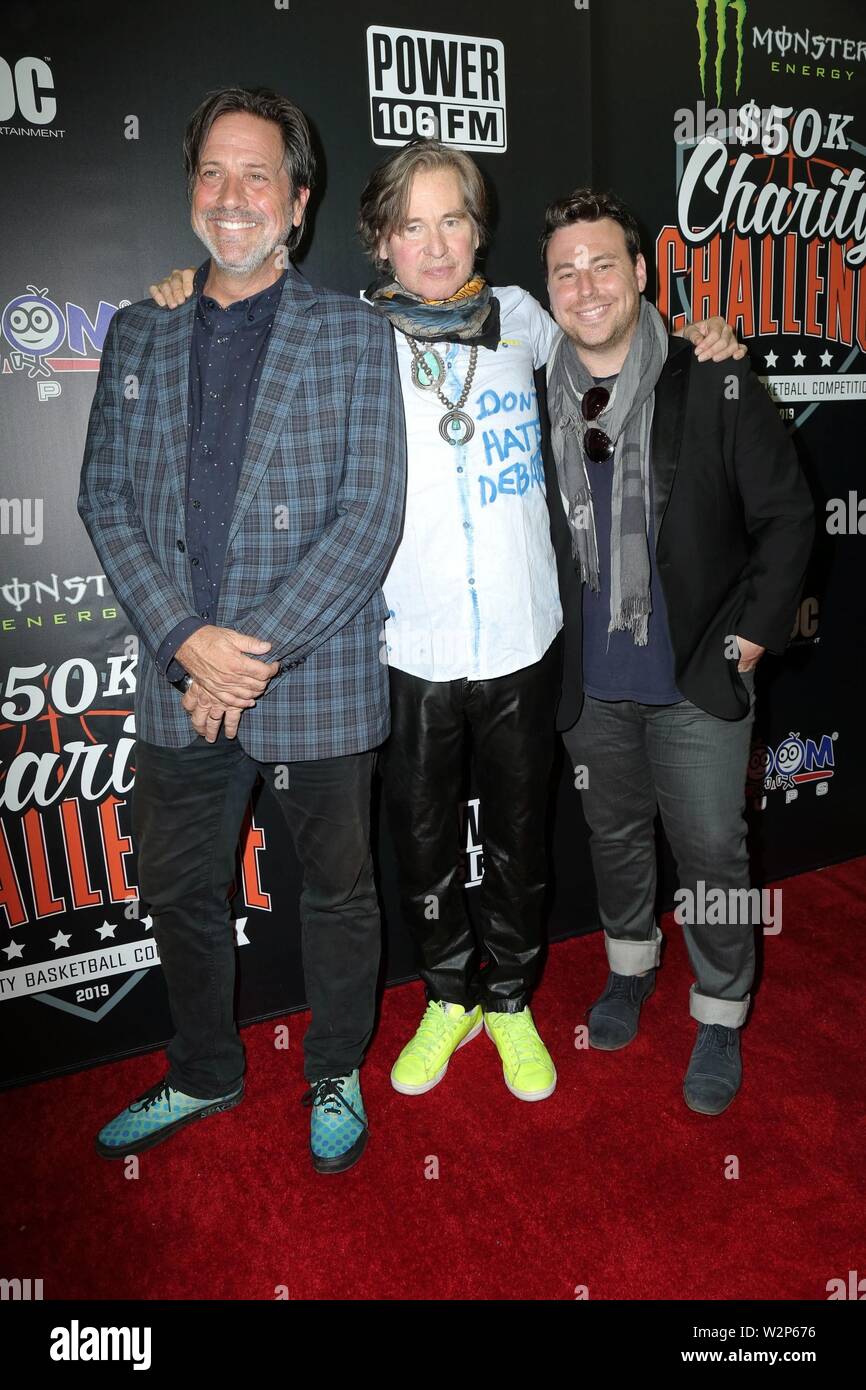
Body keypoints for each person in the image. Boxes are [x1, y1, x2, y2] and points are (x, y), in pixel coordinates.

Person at [149, 140, 742, 1106]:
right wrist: (188, 289)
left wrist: (697, 334)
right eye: (412, 224)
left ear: (479, 228)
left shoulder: (524, 319)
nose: (435, 243)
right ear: (380, 240)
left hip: (524, 634)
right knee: (421, 844)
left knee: (519, 840)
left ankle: (508, 998)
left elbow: (621, 346)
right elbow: (242, 323)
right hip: (407, 642)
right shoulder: (345, 337)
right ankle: (447, 996)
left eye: (454, 219)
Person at [78, 86, 406, 1174]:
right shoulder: (138, 330)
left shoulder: (356, 335)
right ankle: (207, 1068)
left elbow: (369, 518)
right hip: (181, 681)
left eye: (256, 174)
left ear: (298, 201)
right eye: (212, 173)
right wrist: (185, 641)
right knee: (178, 887)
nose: (231, 196)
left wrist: (243, 657)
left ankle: (334, 1067)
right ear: (190, 192)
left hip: (314, 686)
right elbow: (103, 500)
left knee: (338, 891)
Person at [541, 188, 814, 1114]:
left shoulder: (715, 376)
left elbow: (786, 517)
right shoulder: (533, 389)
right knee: (615, 840)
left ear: (640, 274)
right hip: (592, 683)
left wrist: (750, 639)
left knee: (713, 853)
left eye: (603, 264)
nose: (585, 286)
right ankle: (629, 969)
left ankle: (724, 1007)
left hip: (700, 672)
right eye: (565, 271)